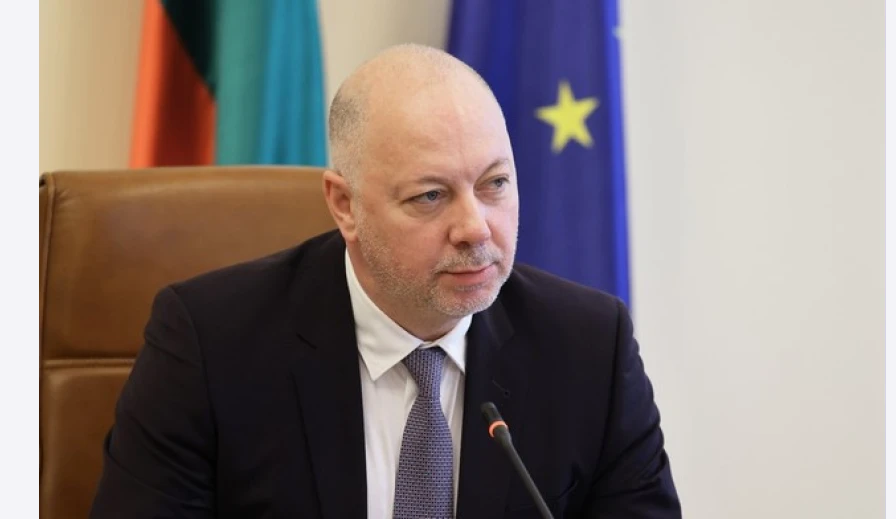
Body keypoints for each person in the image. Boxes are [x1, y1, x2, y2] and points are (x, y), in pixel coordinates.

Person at [89, 43, 681, 518]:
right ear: (344, 205)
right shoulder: (209, 345)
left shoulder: (589, 348)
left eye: (495, 184)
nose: (475, 228)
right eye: (431, 196)